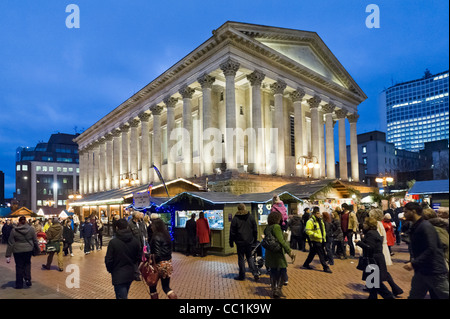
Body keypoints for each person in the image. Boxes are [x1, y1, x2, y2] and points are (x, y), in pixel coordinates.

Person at [403, 202, 449, 299]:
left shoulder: (425, 226)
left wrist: (413, 263)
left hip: (434, 271)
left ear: (413, 211)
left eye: (406, 212)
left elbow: (432, 249)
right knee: (415, 296)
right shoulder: (417, 226)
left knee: (445, 294)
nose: (404, 214)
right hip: (422, 270)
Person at [355, 217, 395, 299]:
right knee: (373, 282)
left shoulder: (370, 234)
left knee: (377, 283)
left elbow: (370, 247)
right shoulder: (373, 232)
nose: (363, 225)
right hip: (376, 259)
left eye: (365, 223)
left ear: (369, 225)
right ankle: (372, 297)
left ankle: (389, 297)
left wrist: (359, 242)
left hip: (373, 260)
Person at [369, 208, 403, 297]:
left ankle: (391, 291)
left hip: (379, 250)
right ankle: (395, 289)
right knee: (381, 271)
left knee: (379, 272)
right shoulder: (379, 223)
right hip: (381, 249)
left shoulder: (376, 224)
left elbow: (378, 238)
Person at [105, 218, 141, 299]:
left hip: (118, 273)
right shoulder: (135, 241)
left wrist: (111, 269)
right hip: (130, 272)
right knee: (124, 293)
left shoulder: (113, 242)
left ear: (117, 228)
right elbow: (138, 257)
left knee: (121, 295)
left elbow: (109, 259)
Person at [264, 210, 295, 299]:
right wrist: (289, 251)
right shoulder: (276, 227)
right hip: (277, 253)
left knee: (273, 271)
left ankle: (274, 290)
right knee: (282, 269)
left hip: (270, 252)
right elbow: (281, 241)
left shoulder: (268, 227)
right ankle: (278, 290)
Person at [5, 216, 40, 289]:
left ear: (19, 222)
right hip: (28, 250)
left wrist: (8, 255)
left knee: (19, 266)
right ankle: (28, 279)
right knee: (27, 264)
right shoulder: (31, 229)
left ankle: (19, 284)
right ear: (26, 221)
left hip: (17, 251)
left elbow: (11, 243)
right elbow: (35, 241)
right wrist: (38, 249)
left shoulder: (14, 230)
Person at [149, 218, 178, 299]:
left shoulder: (156, 237)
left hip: (158, 264)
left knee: (152, 286)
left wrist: (149, 256)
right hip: (167, 263)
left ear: (156, 226)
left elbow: (157, 254)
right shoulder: (167, 235)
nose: (151, 227)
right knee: (166, 287)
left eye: (152, 225)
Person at [229, 203, 259, 281]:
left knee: (241, 258)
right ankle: (255, 273)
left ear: (238, 209)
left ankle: (242, 276)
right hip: (249, 241)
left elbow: (232, 232)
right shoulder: (251, 217)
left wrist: (231, 242)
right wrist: (255, 240)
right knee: (249, 257)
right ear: (245, 208)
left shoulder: (235, 218)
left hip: (239, 242)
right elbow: (255, 229)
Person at [302, 207, 332, 273]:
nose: (319, 214)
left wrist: (323, 238)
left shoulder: (320, 220)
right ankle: (325, 267)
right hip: (315, 240)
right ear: (314, 214)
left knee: (312, 253)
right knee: (322, 254)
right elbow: (307, 231)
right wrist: (316, 235)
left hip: (321, 240)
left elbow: (323, 230)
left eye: (319, 213)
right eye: (318, 213)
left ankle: (306, 264)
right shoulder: (310, 221)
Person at [129, 211, 145, 281]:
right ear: (135, 216)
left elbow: (142, 233)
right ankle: (136, 274)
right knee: (135, 260)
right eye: (139, 214)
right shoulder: (130, 224)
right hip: (134, 245)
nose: (140, 215)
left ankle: (133, 272)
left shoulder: (140, 223)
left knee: (139, 259)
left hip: (140, 244)